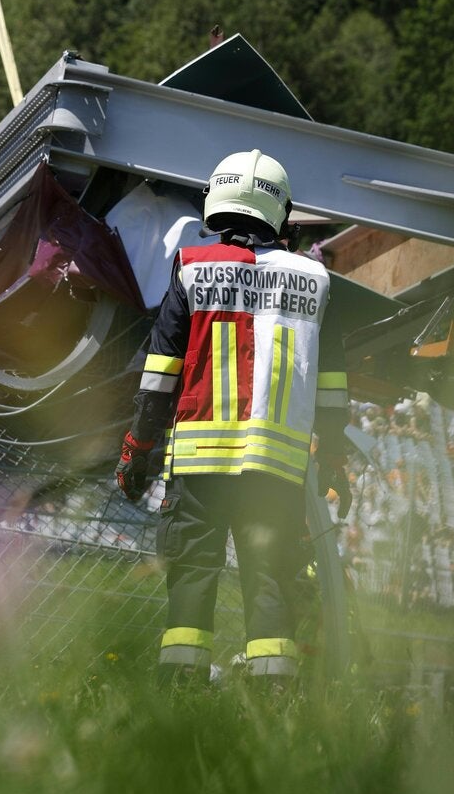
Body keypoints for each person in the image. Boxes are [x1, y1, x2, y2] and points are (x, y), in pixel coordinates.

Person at [114, 148, 350, 682]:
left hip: (198, 468)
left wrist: (138, 450)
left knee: (193, 578)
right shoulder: (315, 280)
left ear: (215, 204)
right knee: (271, 582)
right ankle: (274, 697)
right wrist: (334, 457)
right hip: (277, 470)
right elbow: (334, 385)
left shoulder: (192, 270)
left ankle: (180, 692)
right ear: (280, 214)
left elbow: (159, 377)